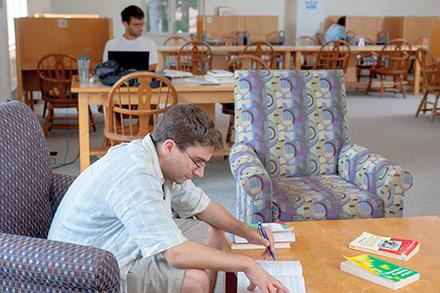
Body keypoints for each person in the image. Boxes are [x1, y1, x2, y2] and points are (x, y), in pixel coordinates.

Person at [48, 104, 288, 293]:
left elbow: (203, 206)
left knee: (211, 231)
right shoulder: (137, 174)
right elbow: (176, 254)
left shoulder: (159, 159)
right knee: (195, 279)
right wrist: (247, 264)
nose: (201, 173)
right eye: (197, 162)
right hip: (87, 269)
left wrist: (249, 233)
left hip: (118, 239)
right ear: (170, 147)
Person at [103, 5, 158, 71]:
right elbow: (105, 71)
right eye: (136, 25)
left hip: (143, 81)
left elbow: (152, 70)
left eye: (142, 24)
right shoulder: (111, 44)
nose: (141, 28)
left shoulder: (149, 44)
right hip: (118, 81)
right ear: (125, 24)